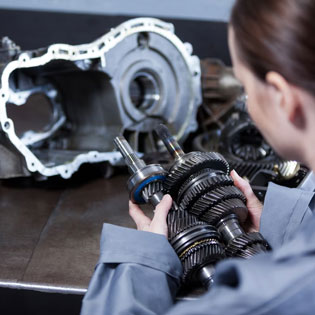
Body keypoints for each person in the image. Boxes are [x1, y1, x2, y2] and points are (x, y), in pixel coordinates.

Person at [81, 1, 315, 314]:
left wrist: (143, 261)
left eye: (245, 88)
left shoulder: (269, 300)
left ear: (282, 97)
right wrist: (282, 229)